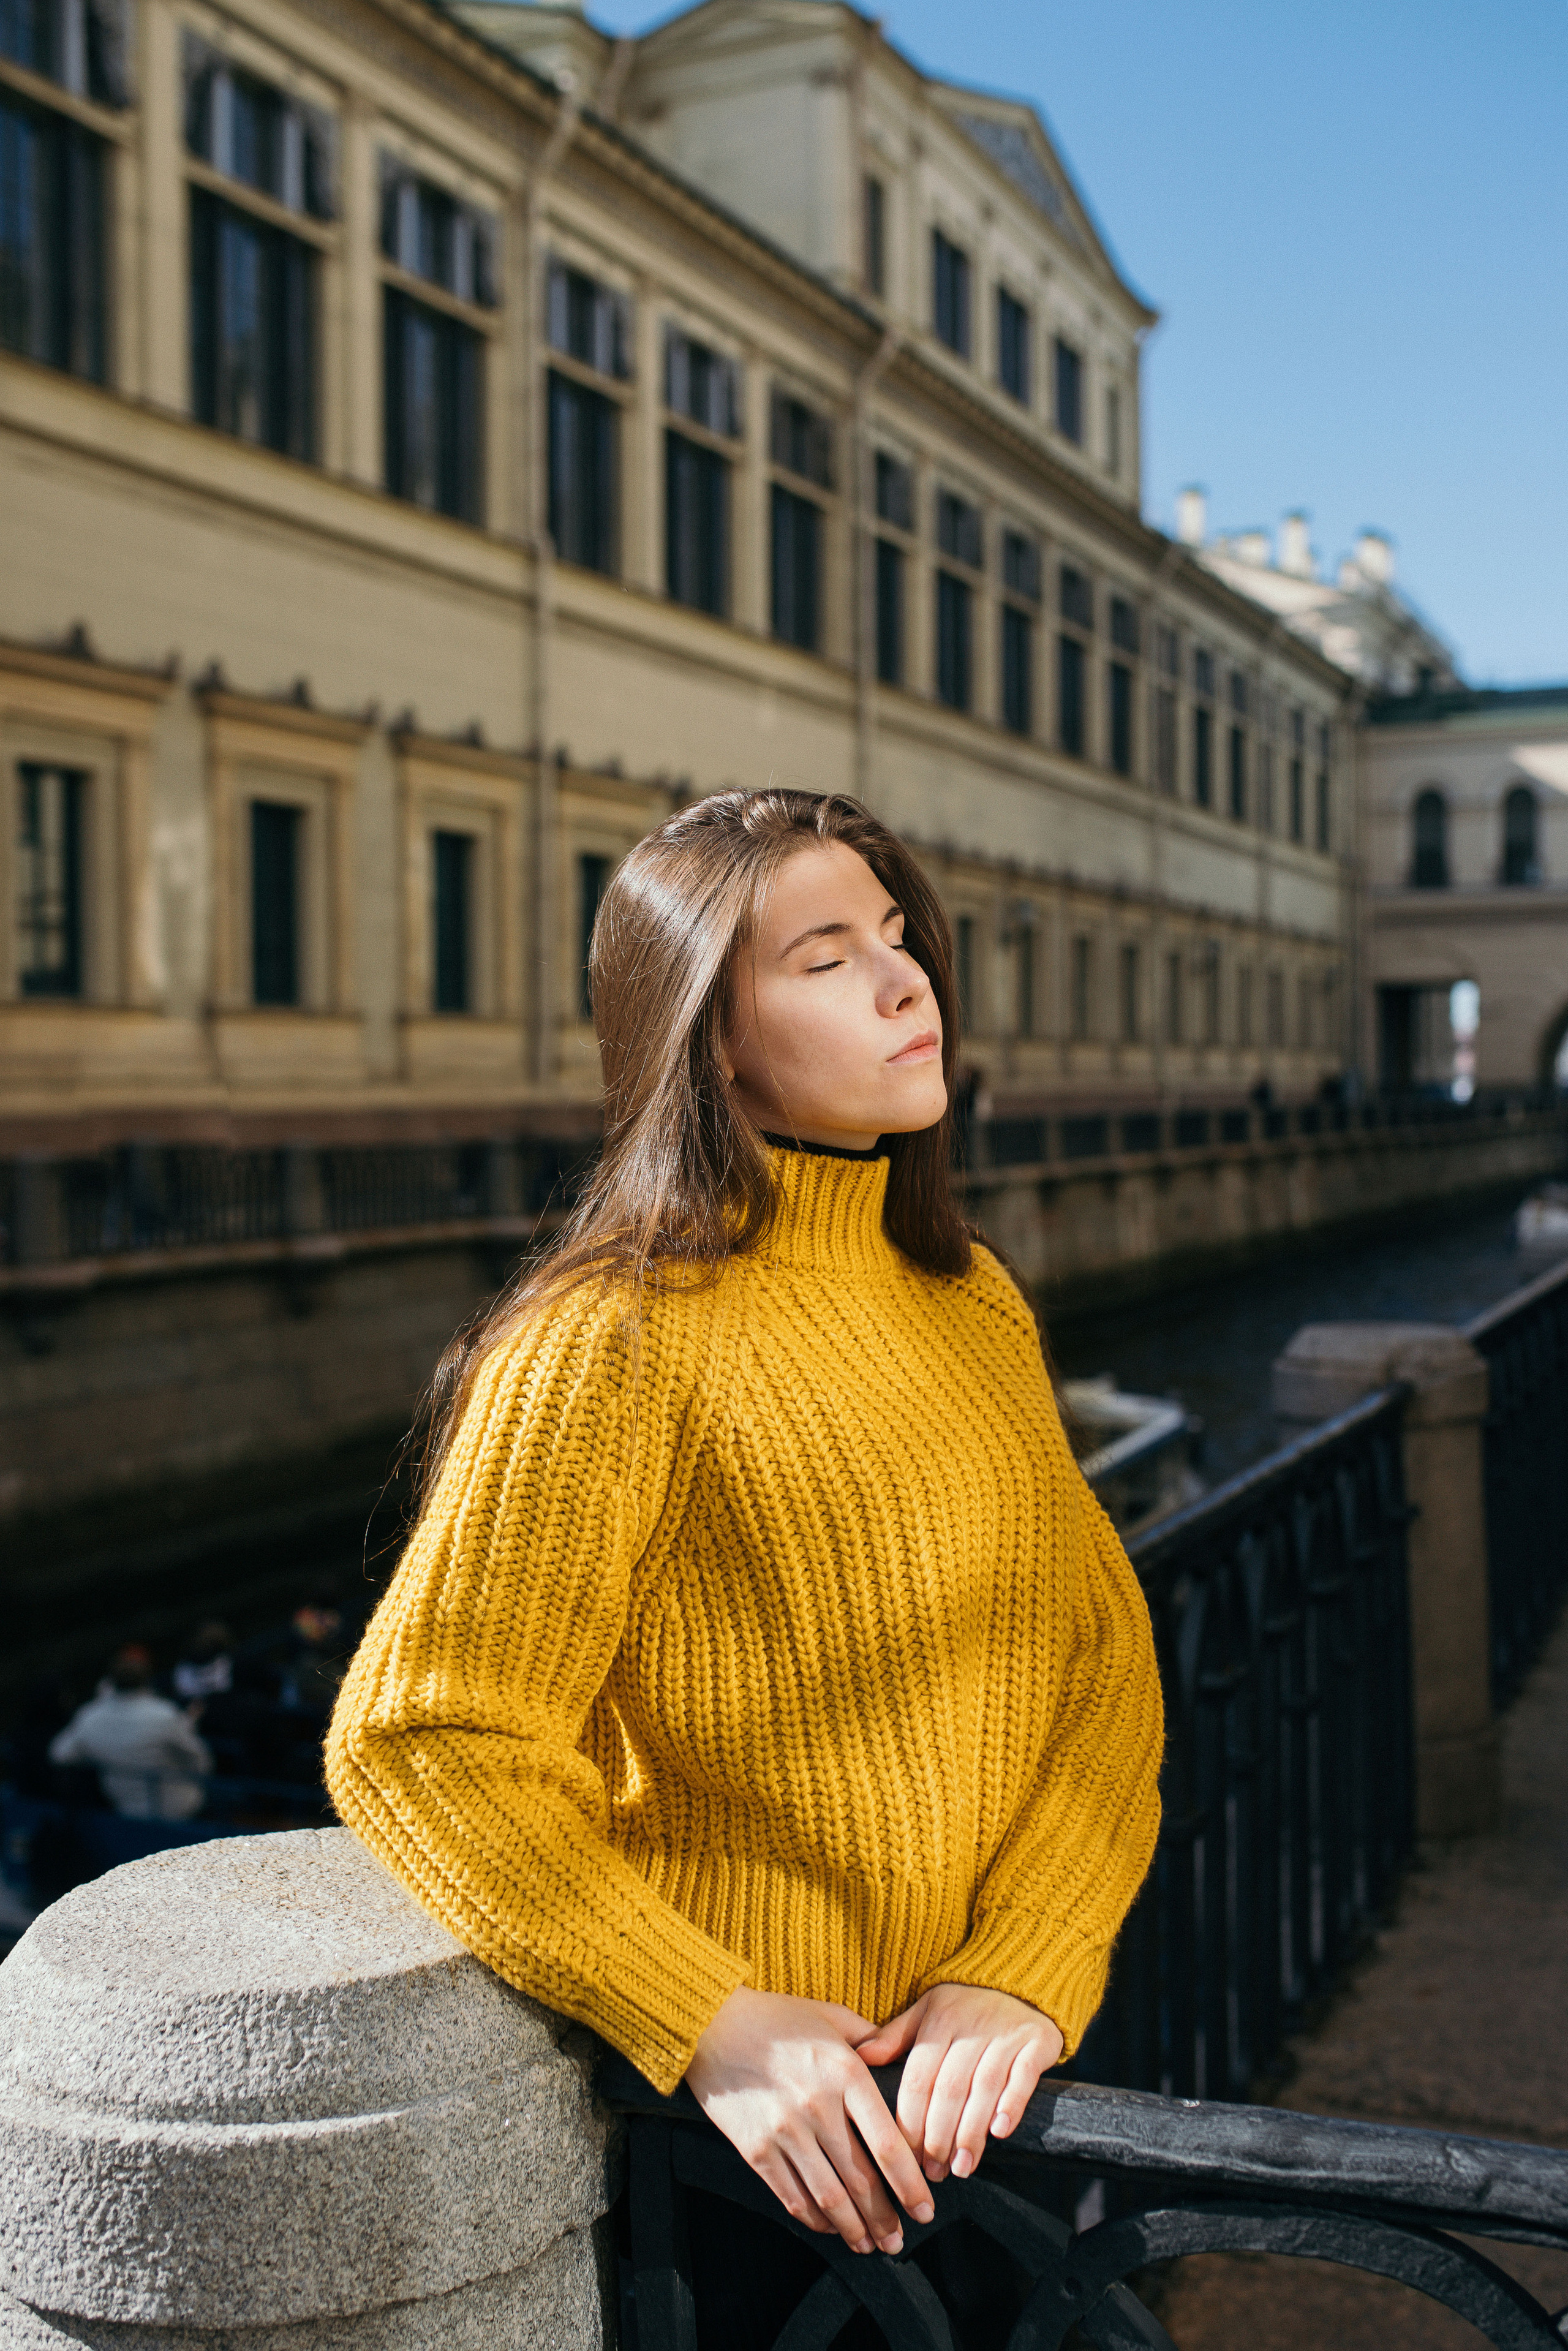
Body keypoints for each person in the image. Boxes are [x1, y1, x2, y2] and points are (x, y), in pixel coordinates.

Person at [326, 790, 1163, 2345]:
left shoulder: (970, 1298)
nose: (907, 983)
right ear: (709, 1036)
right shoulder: (610, 1339)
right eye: (828, 956)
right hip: (749, 2176)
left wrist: (1027, 1962)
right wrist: (706, 2015)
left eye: (899, 940)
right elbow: (425, 1738)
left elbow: (1100, 1670)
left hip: (1000, 2114)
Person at [50, 1645, 212, 1822]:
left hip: (125, 1813)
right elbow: (202, 1762)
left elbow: (60, 1755)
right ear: (148, 1678)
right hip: (181, 1810)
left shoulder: (90, 1716)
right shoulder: (163, 1714)